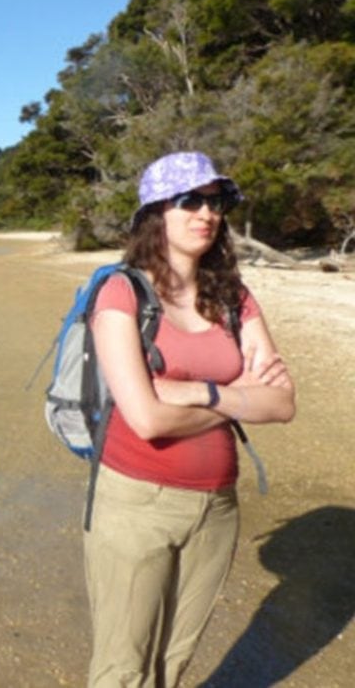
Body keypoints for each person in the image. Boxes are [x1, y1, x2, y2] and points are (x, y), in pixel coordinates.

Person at [84, 151, 296, 687]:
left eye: (216, 201)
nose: (207, 213)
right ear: (157, 212)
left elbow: (282, 404)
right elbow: (148, 419)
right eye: (190, 200)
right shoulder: (121, 293)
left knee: (173, 664)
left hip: (218, 506)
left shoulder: (234, 298)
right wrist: (235, 395)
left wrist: (198, 392)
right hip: (136, 504)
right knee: (122, 670)